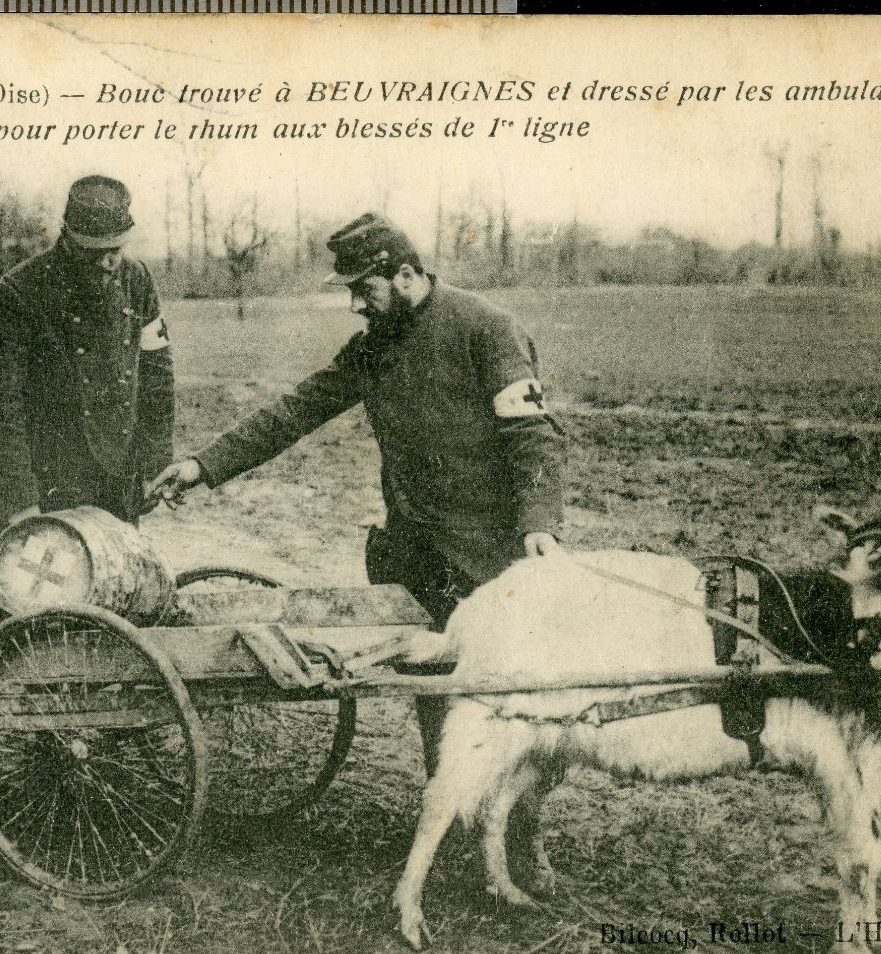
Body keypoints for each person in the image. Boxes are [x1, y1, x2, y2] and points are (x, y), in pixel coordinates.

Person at [145, 212, 566, 772]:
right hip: (417, 556)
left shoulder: (486, 329)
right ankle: (446, 814)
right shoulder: (374, 347)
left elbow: (533, 436)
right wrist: (204, 465)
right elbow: (297, 409)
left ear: (406, 274)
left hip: (490, 554)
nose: (356, 306)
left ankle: (516, 833)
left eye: (364, 289)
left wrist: (539, 523)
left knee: (508, 699)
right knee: (433, 698)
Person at [0, 175, 175, 635]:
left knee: (113, 601)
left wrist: (155, 460)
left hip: (115, 473)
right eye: (94, 251)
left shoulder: (137, 281)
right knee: (19, 604)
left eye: (117, 247)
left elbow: (157, 377)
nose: (108, 262)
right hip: (44, 476)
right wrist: (19, 498)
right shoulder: (18, 293)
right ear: (68, 238)